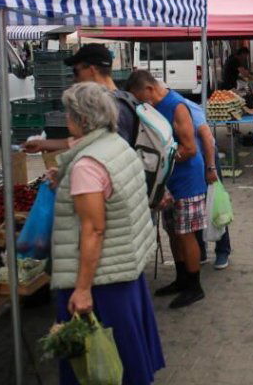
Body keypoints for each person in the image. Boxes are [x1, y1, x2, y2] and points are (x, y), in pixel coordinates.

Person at [49, 82, 164, 385]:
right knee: (129, 358)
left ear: (83, 119)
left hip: (101, 280)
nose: (65, 119)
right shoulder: (116, 144)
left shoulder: (87, 165)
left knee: (105, 365)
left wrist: (82, 288)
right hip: (124, 270)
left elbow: (94, 229)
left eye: (68, 113)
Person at [126, 70, 207, 309]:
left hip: (187, 180)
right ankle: (181, 278)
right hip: (168, 181)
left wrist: (159, 166)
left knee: (185, 233)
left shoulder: (177, 106)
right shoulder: (153, 107)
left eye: (139, 96)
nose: (139, 102)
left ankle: (195, 286)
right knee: (172, 231)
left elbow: (190, 148)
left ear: (150, 89)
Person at [24, 44, 139, 153]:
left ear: (92, 70)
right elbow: (90, 140)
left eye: (76, 71)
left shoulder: (113, 107)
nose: (74, 79)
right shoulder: (124, 98)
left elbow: (109, 152)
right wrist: (43, 144)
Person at [183, 96, 231, 270]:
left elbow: (207, 137)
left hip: (206, 158)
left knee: (216, 204)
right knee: (194, 206)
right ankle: (200, 250)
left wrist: (210, 167)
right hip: (191, 164)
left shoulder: (184, 106)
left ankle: (223, 250)